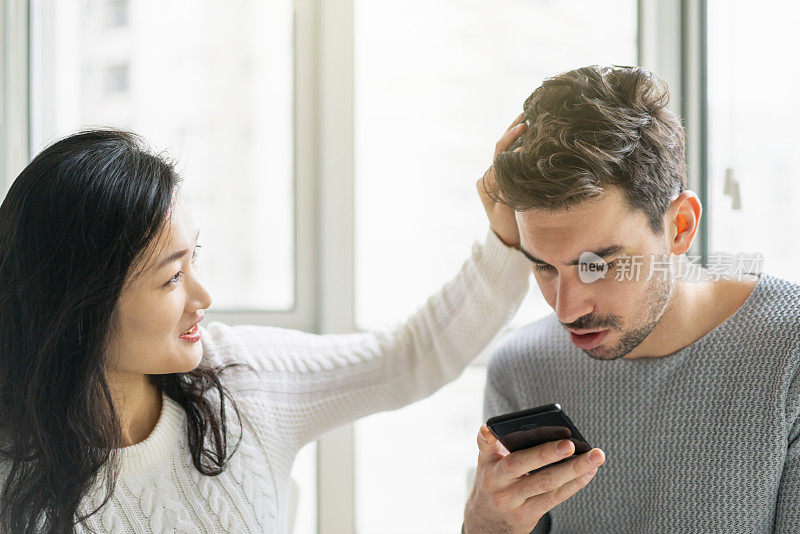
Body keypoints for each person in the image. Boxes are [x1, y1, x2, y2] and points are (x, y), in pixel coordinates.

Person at [0, 122, 529, 533]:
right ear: (80, 304)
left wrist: (507, 239)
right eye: (173, 277)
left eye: (195, 259)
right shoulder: (12, 480)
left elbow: (409, 358)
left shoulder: (238, 377)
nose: (203, 298)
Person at [463, 65, 800, 533]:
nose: (566, 310)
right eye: (542, 265)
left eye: (596, 265)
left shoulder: (789, 352)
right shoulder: (522, 367)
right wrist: (485, 524)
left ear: (680, 226)